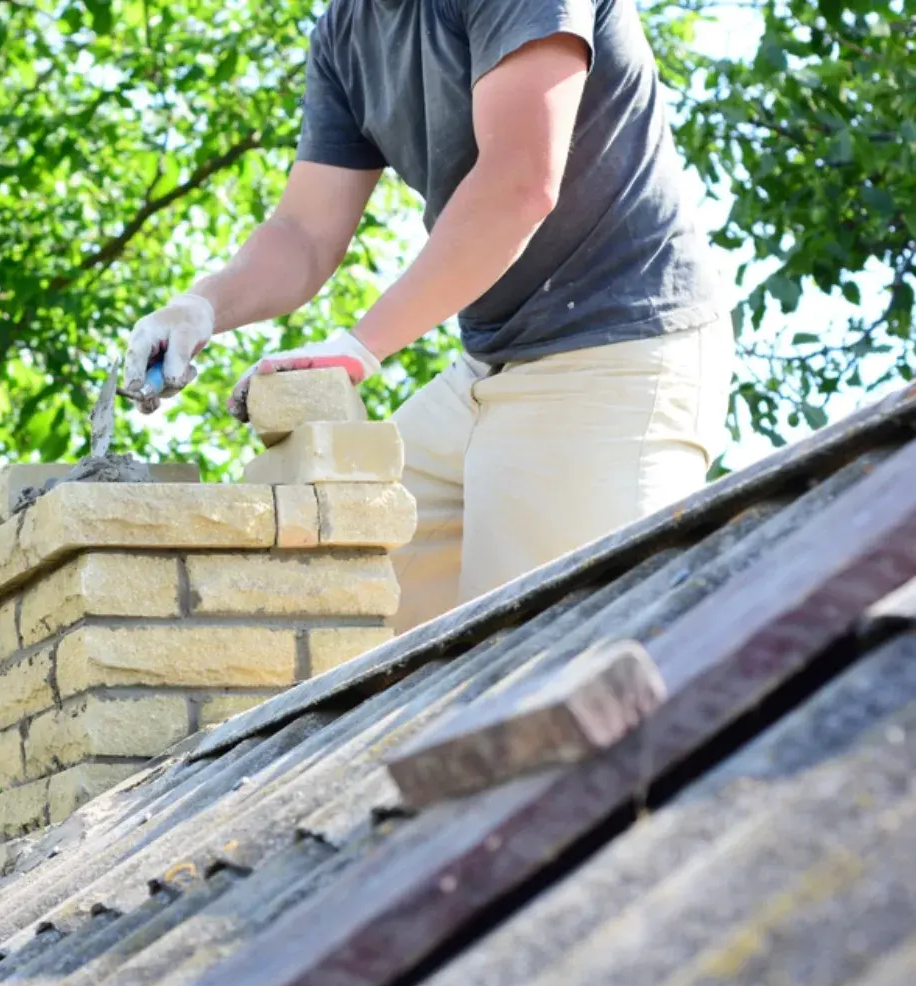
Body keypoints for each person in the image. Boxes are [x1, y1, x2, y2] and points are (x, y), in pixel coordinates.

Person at [122, 0, 733, 635]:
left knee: (545, 666)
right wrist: (200, 306)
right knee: (314, 604)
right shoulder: (346, 30)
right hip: (486, 371)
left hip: (615, 361)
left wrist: (360, 347)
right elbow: (304, 230)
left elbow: (519, 182)